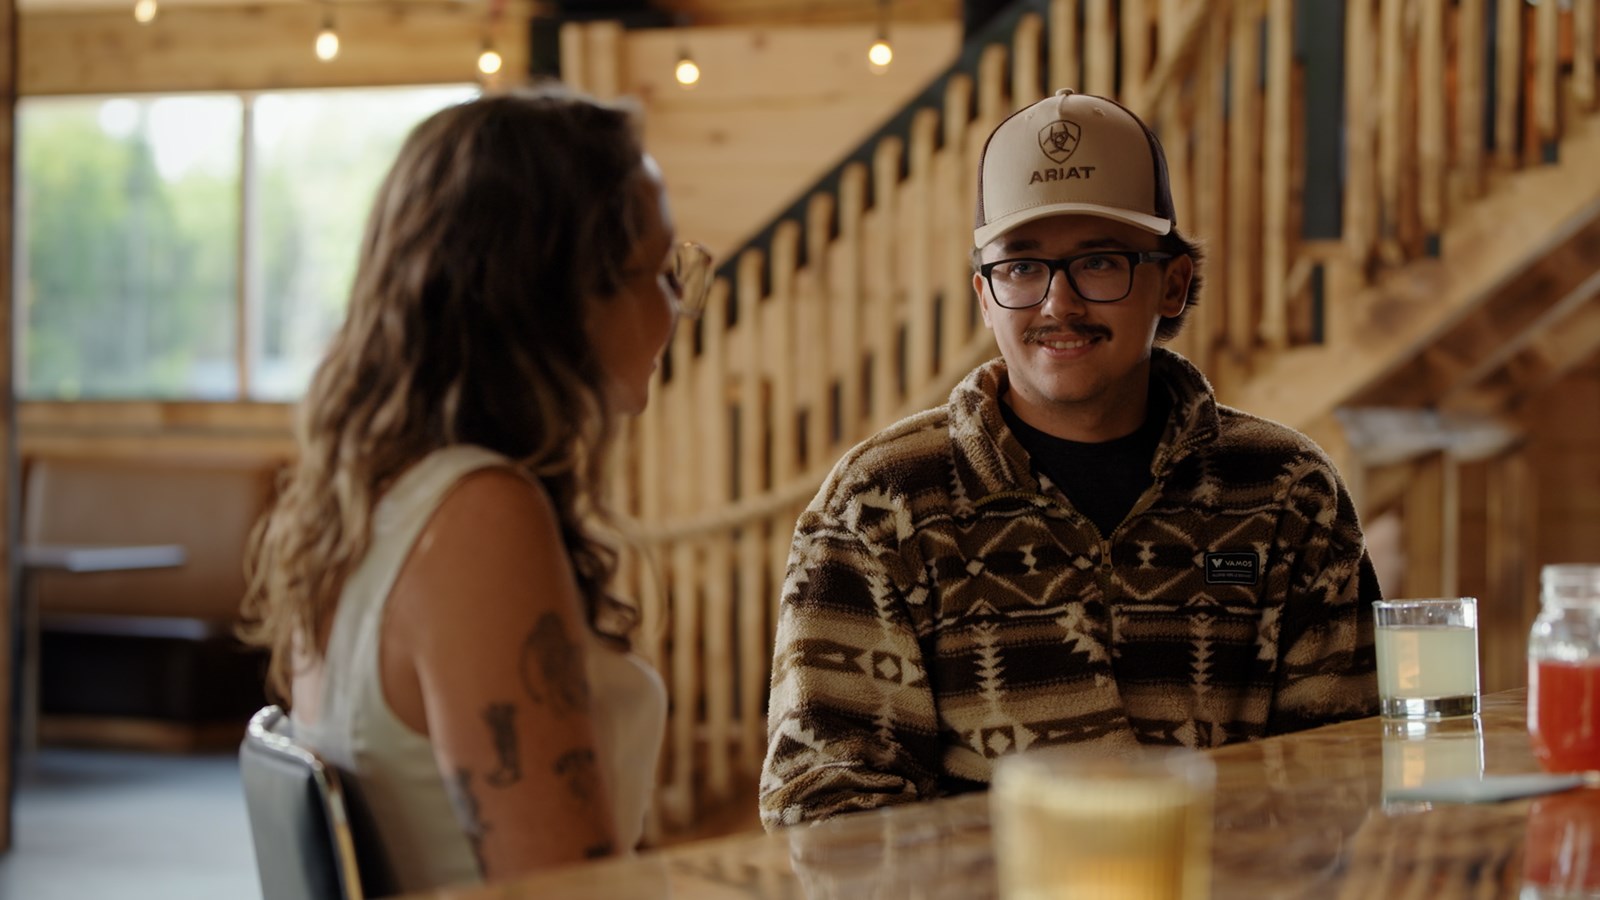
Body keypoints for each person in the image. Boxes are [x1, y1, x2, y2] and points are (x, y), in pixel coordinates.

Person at [759, 88, 1379, 829]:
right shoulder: (878, 507)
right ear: (984, 296)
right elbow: (828, 813)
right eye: (1021, 268)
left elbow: (1343, 772)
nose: (1058, 304)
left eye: (1100, 262)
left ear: (1172, 282)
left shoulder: (1286, 491)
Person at [240, 84, 713, 891]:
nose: (678, 305)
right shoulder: (477, 518)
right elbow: (567, 891)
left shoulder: (378, 502)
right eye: (661, 271)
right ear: (557, 296)